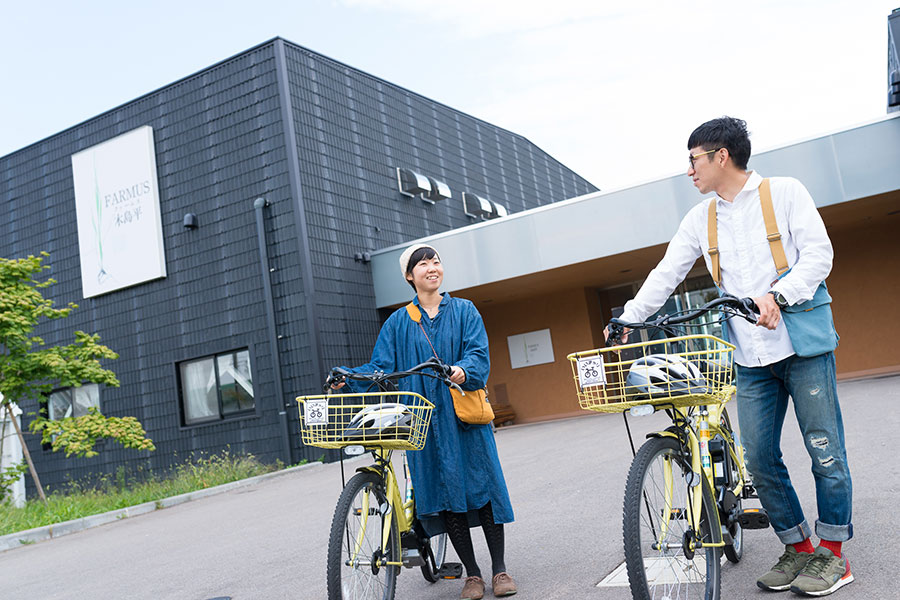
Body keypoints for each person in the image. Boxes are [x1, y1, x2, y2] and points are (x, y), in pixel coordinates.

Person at [612, 117, 853, 596]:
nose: (689, 171)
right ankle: (798, 549)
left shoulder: (784, 192)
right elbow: (667, 272)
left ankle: (833, 554)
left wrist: (778, 296)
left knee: (824, 449)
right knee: (760, 459)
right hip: (748, 353)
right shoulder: (700, 219)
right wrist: (629, 317)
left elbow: (818, 255)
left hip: (800, 343)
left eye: (693, 159)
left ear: (721, 156)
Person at [333, 243, 517, 600]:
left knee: (484, 492)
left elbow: (478, 355)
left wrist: (461, 371)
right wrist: (349, 375)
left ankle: (500, 569)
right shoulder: (398, 322)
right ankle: (473, 575)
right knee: (445, 497)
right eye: (423, 264)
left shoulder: (464, 310)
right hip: (423, 424)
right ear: (409, 275)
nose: (432, 267)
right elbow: (380, 368)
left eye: (436, 261)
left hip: (464, 417)